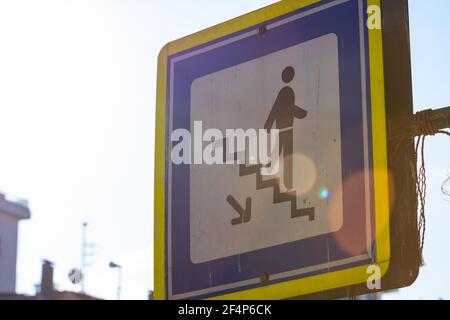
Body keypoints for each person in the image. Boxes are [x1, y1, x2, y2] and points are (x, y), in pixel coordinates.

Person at [264, 66, 308, 190]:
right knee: (285, 156)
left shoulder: (287, 91)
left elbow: (280, 108)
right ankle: (284, 182)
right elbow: (281, 108)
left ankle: (287, 184)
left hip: (285, 129)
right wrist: (302, 113)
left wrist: (268, 125)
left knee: (284, 155)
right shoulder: (286, 91)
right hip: (285, 129)